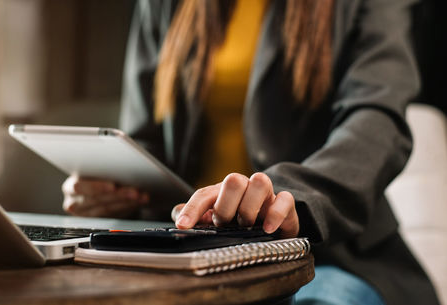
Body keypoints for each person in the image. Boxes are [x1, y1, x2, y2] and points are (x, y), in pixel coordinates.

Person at [62, 0, 440, 304]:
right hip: (188, 254)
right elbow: (148, 140)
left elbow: (378, 120)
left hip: (332, 260)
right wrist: (111, 187)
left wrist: (290, 196)